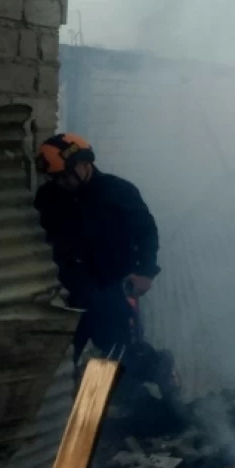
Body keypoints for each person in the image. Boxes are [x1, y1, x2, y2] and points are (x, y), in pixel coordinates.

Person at [33, 133, 161, 366]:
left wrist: (146, 272)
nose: (62, 183)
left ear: (84, 164)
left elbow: (146, 232)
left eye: (65, 176)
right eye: (56, 178)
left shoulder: (118, 192)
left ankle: (159, 372)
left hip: (113, 289)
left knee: (119, 358)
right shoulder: (49, 198)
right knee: (65, 358)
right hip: (71, 293)